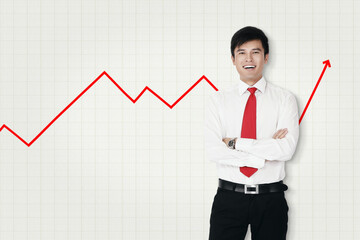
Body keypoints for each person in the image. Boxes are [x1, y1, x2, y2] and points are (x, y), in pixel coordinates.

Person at [204, 26, 299, 240]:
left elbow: (286, 149)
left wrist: (235, 143)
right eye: (241, 52)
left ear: (266, 57)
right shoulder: (217, 101)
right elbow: (214, 151)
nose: (249, 58)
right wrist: (264, 152)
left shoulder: (285, 99)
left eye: (255, 52)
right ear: (233, 58)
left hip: (271, 199)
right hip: (229, 198)